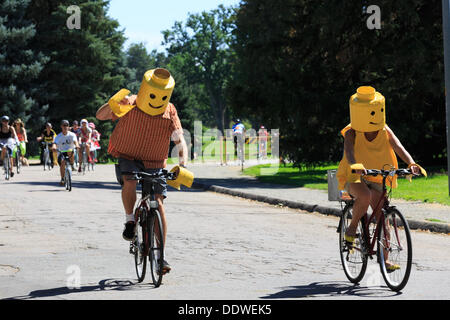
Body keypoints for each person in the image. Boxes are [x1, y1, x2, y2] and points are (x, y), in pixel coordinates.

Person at [96, 68, 188, 274]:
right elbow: (100, 115)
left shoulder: (170, 110)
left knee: (159, 202)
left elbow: (179, 139)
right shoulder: (130, 102)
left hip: (155, 160)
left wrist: (182, 164)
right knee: (129, 180)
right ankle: (130, 220)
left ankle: (160, 256)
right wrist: (112, 103)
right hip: (129, 155)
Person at [336, 86, 425, 271]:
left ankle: (385, 261)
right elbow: (349, 151)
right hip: (355, 176)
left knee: (382, 215)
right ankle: (352, 228)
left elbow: (398, 146)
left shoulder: (384, 129)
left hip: (377, 175)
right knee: (365, 196)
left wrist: (411, 163)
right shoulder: (352, 131)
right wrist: (355, 165)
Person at [52, 120, 79, 186]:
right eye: (64, 125)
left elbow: (75, 141)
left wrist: (77, 145)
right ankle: (62, 178)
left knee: (70, 150)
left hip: (70, 152)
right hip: (61, 152)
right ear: (61, 126)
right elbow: (55, 143)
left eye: (67, 125)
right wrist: (54, 147)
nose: (65, 127)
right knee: (62, 162)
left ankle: (72, 165)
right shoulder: (58, 136)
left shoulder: (72, 135)